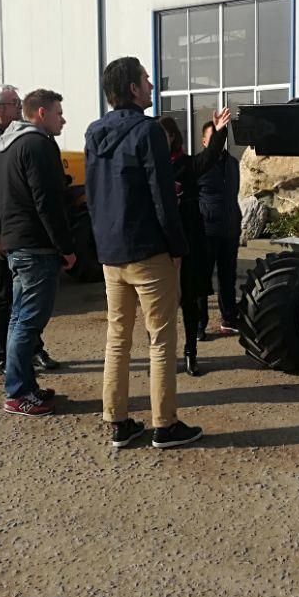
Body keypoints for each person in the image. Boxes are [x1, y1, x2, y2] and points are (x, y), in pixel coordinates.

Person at [85, 56, 201, 450]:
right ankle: (164, 425)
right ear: (133, 89)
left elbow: (94, 195)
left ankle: (117, 422)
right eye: (146, 81)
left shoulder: (94, 131)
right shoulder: (148, 131)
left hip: (112, 254)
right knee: (161, 339)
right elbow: (162, 196)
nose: (152, 86)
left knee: (118, 338)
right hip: (148, 252)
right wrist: (178, 247)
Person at [0, 85, 59, 376]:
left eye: (19, 102)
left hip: (23, 235)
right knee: (5, 297)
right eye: (13, 103)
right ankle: (2, 355)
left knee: (29, 301)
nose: (19, 107)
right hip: (2, 237)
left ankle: (33, 348)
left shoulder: (20, 138)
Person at [0, 89, 76, 416]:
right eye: (58, 113)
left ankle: (25, 385)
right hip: (35, 246)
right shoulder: (38, 145)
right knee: (28, 322)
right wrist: (66, 247)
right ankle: (17, 392)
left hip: (17, 244)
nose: (63, 119)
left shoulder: (6, 148)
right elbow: (47, 201)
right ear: (40, 113)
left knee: (19, 320)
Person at [159, 108, 231, 377]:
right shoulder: (150, 167)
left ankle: (191, 352)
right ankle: (164, 356)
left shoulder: (184, 164)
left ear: (174, 138)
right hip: (160, 246)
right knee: (160, 305)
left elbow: (210, 157)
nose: (160, 140)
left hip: (189, 242)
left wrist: (219, 131)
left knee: (190, 300)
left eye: (164, 135)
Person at [197, 120, 243, 338]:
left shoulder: (233, 163)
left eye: (220, 136)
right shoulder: (199, 165)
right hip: (206, 230)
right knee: (202, 280)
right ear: (204, 141)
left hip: (230, 229)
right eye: (212, 136)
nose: (217, 140)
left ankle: (228, 319)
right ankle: (199, 325)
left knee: (228, 277)